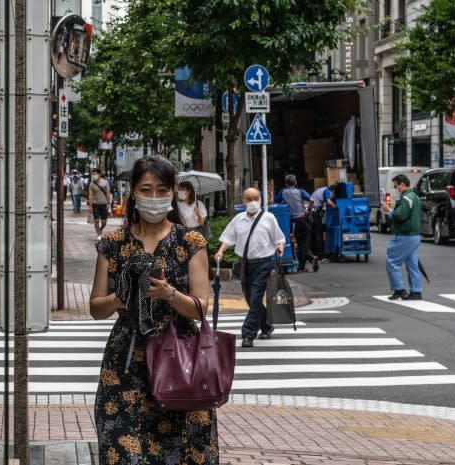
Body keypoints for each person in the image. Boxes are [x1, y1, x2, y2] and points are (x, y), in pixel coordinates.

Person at [89, 155, 218, 464]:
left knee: (183, 450)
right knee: (122, 451)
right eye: (146, 190)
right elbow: (96, 307)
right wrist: (121, 298)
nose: (154, 197)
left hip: (180, 360)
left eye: (162, 190)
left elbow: (200, 308)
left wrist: (168, 293)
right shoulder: (113, 243)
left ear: (173, 192)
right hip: (126, 363)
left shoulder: (190, 241)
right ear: (133, 192)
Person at [215, 187, 285, 348]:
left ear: (260, 200)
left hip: (263, 264)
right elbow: (228, 238)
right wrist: (220, 251)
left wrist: (280, 246)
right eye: (249, 199)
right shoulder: (239, 219)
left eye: (256, 198)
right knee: (249, 298)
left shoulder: (269, 218)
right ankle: (267, 325)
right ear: (243, 201)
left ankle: (248, 334)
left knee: (255, 298)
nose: (252, 202)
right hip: (244, 264)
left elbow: (279, 238)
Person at [381, 174, 423, 300]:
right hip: (414, 235)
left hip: (404, 235)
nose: (395, 189)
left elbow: (400, 216)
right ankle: (416, 291)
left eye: (396, 186)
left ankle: (399, 289)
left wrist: (389, 210)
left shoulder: (406, 198)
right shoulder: (415, 197)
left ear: (402, 184)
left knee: (392, 262)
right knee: (412, 264)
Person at [274, 174, 316, 272]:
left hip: (291, 222)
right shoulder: (300, 191)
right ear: (295, 182)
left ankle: (307, 261)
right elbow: (312, 200)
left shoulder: (282, 192)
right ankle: (306, 263)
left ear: (286, 183)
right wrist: (309, 210)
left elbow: (275, 202)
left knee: (295, 243)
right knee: (303, 243)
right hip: (302, 219)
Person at [88, 167, 112, 241]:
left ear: (99, 174)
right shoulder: (91, 184)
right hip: (95, 204)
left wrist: (108, 203)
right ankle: (99, 234)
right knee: (96, 220)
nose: (93, 176)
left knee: (104, 222)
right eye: (93, 174)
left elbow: (108, 193)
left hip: (104, 204)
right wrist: (90, 206)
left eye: (95, 174)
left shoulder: (105, 182)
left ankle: (100, 230)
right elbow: (90, 195)